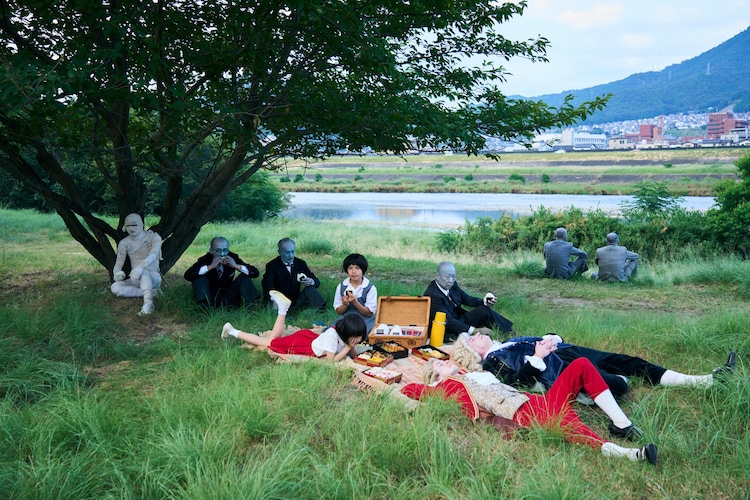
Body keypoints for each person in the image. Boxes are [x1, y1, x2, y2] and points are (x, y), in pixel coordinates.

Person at [401, 357, 658, 465]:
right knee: (568, 425)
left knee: (581, 364)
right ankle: (628, 454)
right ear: (434, 376)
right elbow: (411, 389)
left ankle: (621, 423)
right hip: (523, 413)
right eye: (439, 364)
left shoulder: (473, 374)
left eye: (444, 359)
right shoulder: (445, 387)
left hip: (536, 400)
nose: (445, 361)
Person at [453, 332, 737, 402]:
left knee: (627, 360)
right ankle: (607, 386)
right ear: (472, 351)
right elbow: (518, 382)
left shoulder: (508, 341)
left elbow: (544, 338)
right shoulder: (492, 362)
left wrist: (553, 338)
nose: (479, 335)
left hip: (567, 351)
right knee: (618, 384)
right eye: (473, 338)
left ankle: (703, 381)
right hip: (559, 369)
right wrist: (538, 356)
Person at [221, 291, 365, 361]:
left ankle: (283, 309)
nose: (358, 340)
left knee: (272, 339)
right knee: (268, 343)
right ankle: (232, 331)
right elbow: (330, 362)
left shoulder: (344, 335)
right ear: (347, 333)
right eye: (357, 337)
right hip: (304, 346)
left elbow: (354, 355)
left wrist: (351, 347)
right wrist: (348, 347)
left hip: (310, 339)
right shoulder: (332, 337)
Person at [423, 261, 513, 343]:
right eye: (447, 276)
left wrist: (484, 301)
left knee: (484, 309)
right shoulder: (432, 295)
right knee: (480, 316)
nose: (450, 280)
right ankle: (493, 334)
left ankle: (509, 332)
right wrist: (475, 330)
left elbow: (466, 299)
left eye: (453, 276)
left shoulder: (452, 285)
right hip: (447, 329)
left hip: (460, 319)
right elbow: (448, 321)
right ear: (437, 276)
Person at [183, 237, 260, 309]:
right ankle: (205, 310)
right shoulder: (206, 259)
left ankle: (250, 308)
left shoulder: (231, 258)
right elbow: (188, 275)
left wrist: (236, 266)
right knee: (199, 278)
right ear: (211, 251)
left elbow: (255, 273)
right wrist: (210, 266)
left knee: (244, 278)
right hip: (210, 296)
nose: (222, 254)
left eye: (225, 250)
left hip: (228, 296)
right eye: (218, 251)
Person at [110, 213, 162, 315]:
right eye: (128, 225)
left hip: (153, 277)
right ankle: (153, 292)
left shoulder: (154, 237)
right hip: (135, 278)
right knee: (115, 287)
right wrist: (117, 274)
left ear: (141, 224)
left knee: (144, 272)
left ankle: (148, 303)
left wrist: (140, 268)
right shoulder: (124, 243)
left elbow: (153, 255)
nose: (131, 228)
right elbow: (118, 263)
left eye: (134, 225)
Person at [261, 238, 326, 312]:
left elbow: (317, 281)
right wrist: (274, 298)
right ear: (279, 252)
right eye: (287, 253)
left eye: (292, 252)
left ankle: (321, 310)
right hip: (280, 301)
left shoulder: (300, 263)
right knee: (273, 300)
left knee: (310, 288)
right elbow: (267, 286)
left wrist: (311, 281)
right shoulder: (272, 265)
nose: (291, 256)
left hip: (296, 300)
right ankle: (282, 314)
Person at [333, 253, 378, 335]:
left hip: (364, 319)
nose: (354, 272)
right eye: (350, 268)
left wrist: (355, 303)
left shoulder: (369, 288)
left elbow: (369, 313)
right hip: (346, 318)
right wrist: (345, 305)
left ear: (363, 270)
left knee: (364, 333)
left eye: (357, 268)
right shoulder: (342, 286)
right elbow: (339, 311)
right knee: (332, 331)